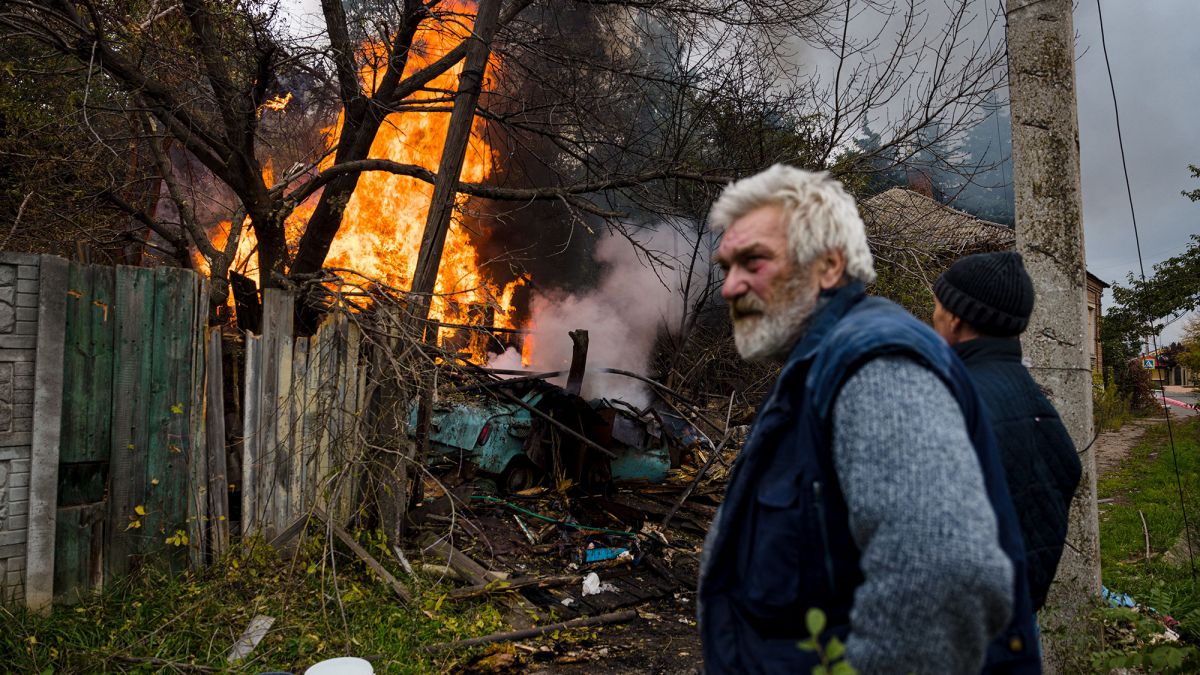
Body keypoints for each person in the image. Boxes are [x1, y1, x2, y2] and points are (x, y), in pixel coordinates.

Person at [699, 165, 1038, 674]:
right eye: (726, 266)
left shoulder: (875, 365)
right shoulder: (817, 368)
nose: (729, 287)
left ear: (829, 266)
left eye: (753, 261)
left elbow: (941, 574)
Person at [932, 251, 1082, 613]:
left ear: (954, 318)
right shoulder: (1032, 396)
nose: (932, 316)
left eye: (935, 306)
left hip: (962, 623)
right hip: (1018, 613)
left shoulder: (952, 399)